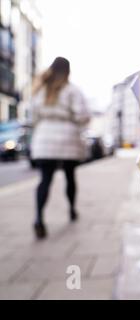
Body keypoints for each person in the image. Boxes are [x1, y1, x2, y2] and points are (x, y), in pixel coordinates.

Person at [30, 57, 90, 239]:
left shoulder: (40, 90)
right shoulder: (73, 91)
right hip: (67, 139)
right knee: (70, 177)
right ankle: (72, 209)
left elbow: (33, 117)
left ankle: (39, 218)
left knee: (45, 180)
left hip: (44, 139)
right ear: (68, 71)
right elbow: (83, 115)